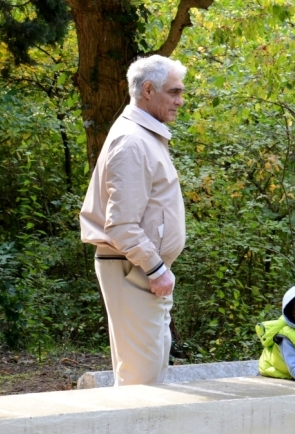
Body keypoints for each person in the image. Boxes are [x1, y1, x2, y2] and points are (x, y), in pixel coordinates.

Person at [79, 55, 186, 386]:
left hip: (140, 271)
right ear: (149, 90)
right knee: (141, 384)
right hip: (132, 269)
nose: (180, 101)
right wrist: (155, 269)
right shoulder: (132, 140)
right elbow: (122, 225)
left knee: (147, 377)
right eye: (174, 92)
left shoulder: (145, 136)